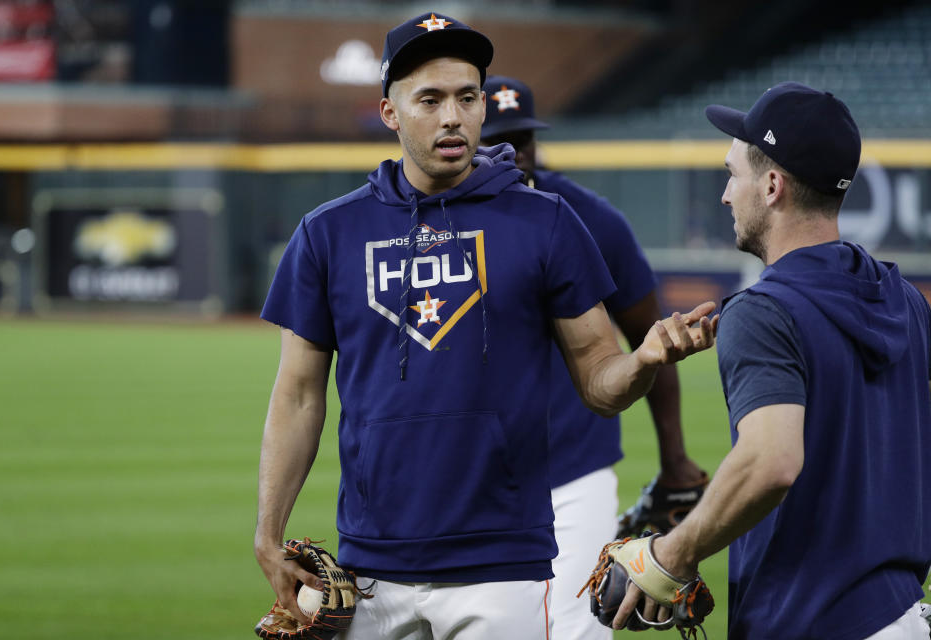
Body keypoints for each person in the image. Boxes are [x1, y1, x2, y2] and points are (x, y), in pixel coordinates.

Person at [254, 11, 718, 640]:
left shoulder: (546, 223)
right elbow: (299, 393)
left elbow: (598, 383)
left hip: (501, 564)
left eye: (467, 97)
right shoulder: (327, 234)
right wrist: (268, 530)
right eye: (430, 99)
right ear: (390, 113)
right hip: (370, 562)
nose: (453, 116)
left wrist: (641, 362)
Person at [613, 82, 931, 639]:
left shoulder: (763, 312)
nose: (725, 195)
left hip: (812, 622)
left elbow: (772, 462)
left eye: (733, 175)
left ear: (773, 184)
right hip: (901, 614)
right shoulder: (902, 299)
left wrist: (674, 552)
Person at [479, 74, 709, 640]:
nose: (514, 154)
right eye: (497, 140)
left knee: (580, 627)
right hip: (472, 475)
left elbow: (648, 339)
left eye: (523, 139)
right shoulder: (428, 222)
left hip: (573, 464)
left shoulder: (590, 219)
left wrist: (675, 457)